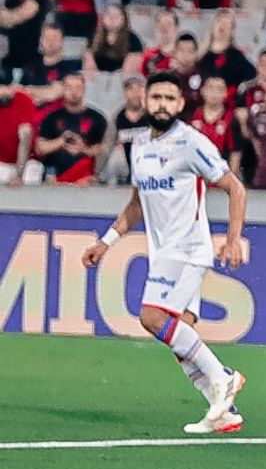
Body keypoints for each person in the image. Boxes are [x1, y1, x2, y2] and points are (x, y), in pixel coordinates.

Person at [80, 73, 249, 434]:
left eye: (169, 98)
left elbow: (235, 188)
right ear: (145, 99)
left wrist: (233, 238)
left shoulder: (191, 143)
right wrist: (106, 241)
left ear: (180, 104)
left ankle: (224, 378)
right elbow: (136, 205)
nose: (161, 104)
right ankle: (223, 409)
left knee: (152, 317)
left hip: (187, 248)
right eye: (156, 96)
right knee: (179, 332)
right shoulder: (139, 144)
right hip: (164, 251)